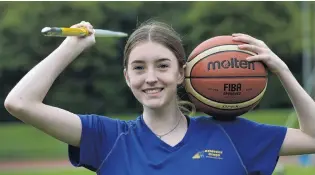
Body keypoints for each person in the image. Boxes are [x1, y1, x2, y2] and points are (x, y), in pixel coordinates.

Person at [4, 20, 315, 175]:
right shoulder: (108, 137)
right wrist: (70, 47)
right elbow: (20, 102)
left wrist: (282, 70)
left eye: (162, 66)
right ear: (127, 77)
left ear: (181, 73)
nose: (150, 77)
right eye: (139, 68)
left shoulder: (232, 134)